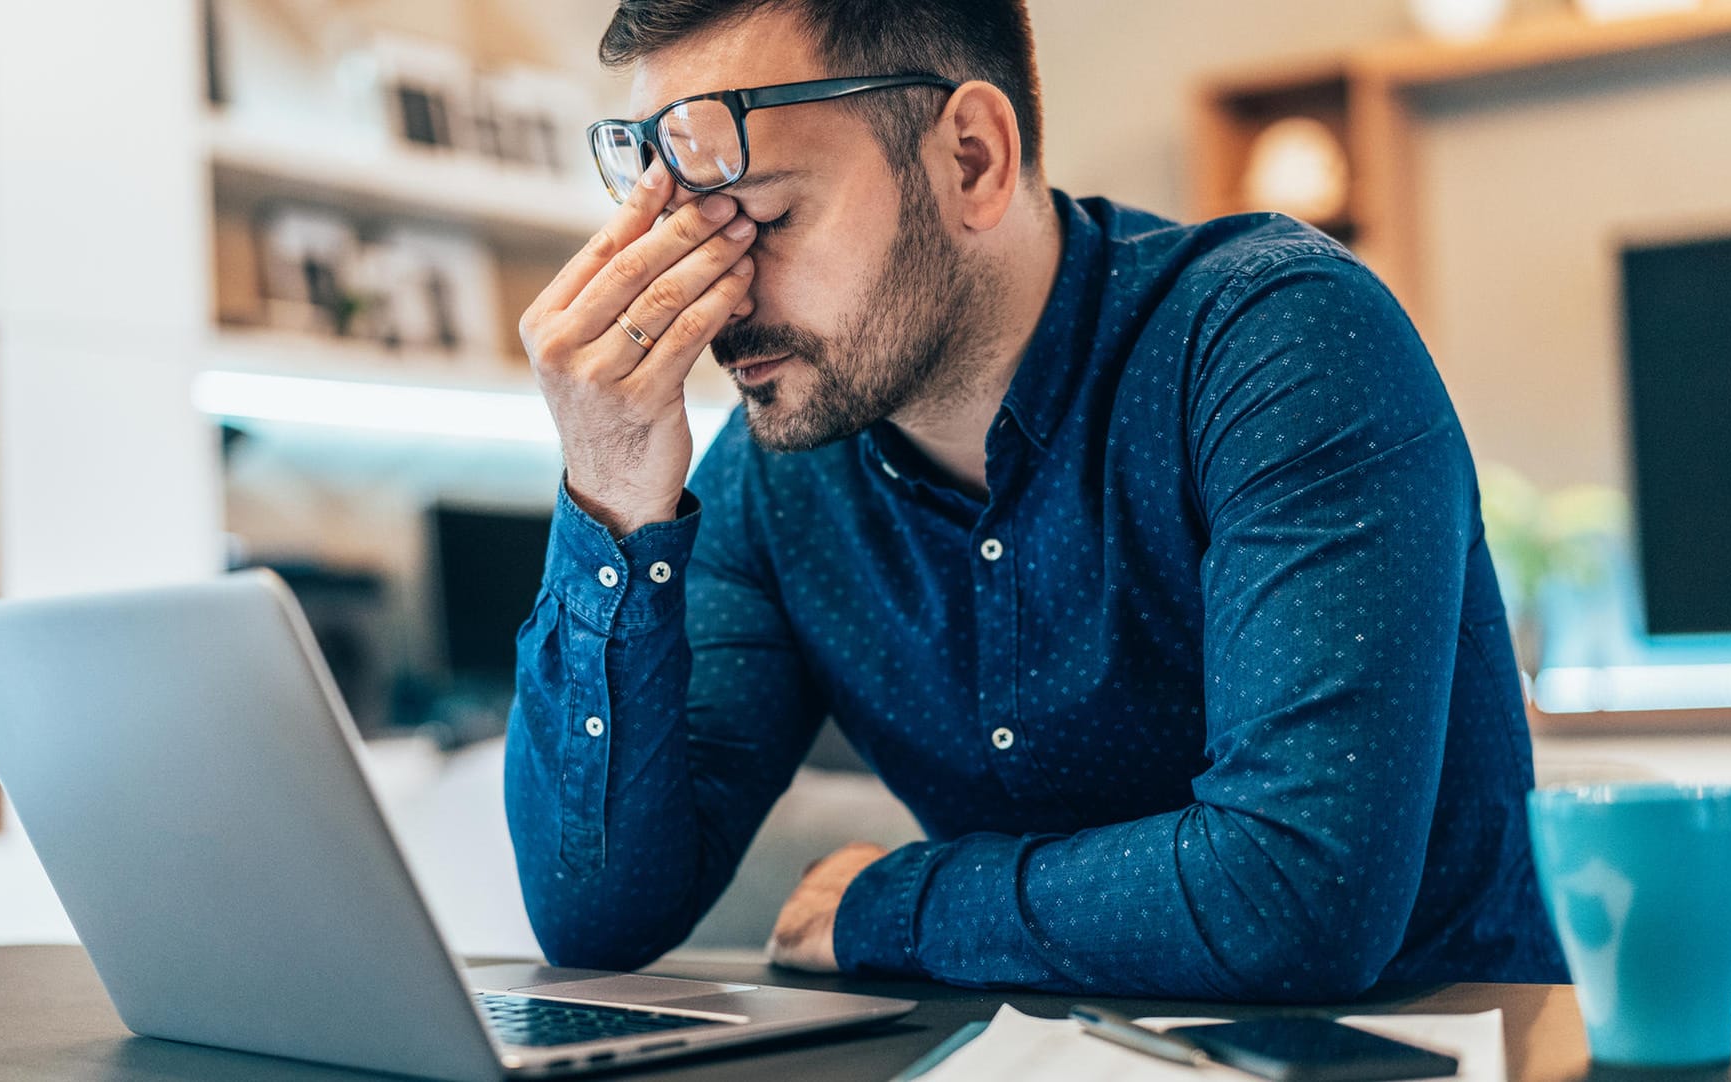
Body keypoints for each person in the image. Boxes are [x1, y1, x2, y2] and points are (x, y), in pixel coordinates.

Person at [507, 0, 1565, 999]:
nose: (719, 299)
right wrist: (610, 491)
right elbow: (598, 919)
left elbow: (1297, 892)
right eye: (685, 240)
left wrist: (899, 902)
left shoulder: (1280, 342)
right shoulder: (780, 473)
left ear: (972, 158)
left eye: (768, 220)